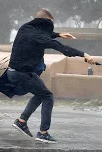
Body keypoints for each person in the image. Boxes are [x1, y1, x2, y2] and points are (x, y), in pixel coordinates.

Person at [7, 8, 95, 143]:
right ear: (46, 22)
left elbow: (42, 35)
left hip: (15, 72)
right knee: (48, 96)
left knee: (41, 94)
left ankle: (21, 121)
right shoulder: (39, 36)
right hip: (22, 74)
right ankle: (43, 133)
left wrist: (58, 34)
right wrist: (85, 55)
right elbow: (62, 48)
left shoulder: (26, 29)